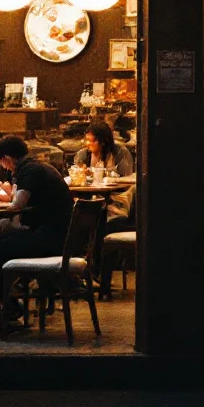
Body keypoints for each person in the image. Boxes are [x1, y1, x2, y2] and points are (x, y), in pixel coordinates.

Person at [0, 135, 74, 320]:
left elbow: (17, 205)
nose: (3, 167)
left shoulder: (29, 171)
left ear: (7, 159)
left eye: (2, 163)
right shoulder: (38, 167)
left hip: (48, 239)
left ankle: (1, 303)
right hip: (59, 237)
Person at [77, 121, 136, 298]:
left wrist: (108, 177)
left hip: (118, 201)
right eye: (86, 140)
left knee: (102, 221)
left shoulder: (120, 152)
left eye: (92, 141)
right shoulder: (83, 155)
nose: (88, 144)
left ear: (102, 141)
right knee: (83, 221)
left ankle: (96, 274)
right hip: (91, 200)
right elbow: (77, 174)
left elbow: (127, 178)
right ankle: (83, 273)